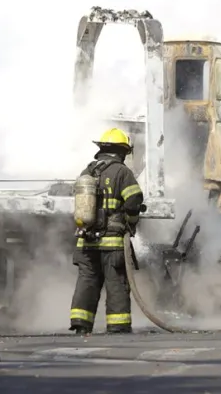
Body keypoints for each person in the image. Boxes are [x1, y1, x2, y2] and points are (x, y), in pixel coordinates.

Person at [69, 128, 144, 335]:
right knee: (116, 283)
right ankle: (118, 325)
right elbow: (133, 201)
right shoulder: (122, 172)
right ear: (122, 151)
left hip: (85, 241)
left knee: (87, 281)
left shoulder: (87, 172)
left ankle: (80, 323)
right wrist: (131, 222)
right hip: (112, 243)